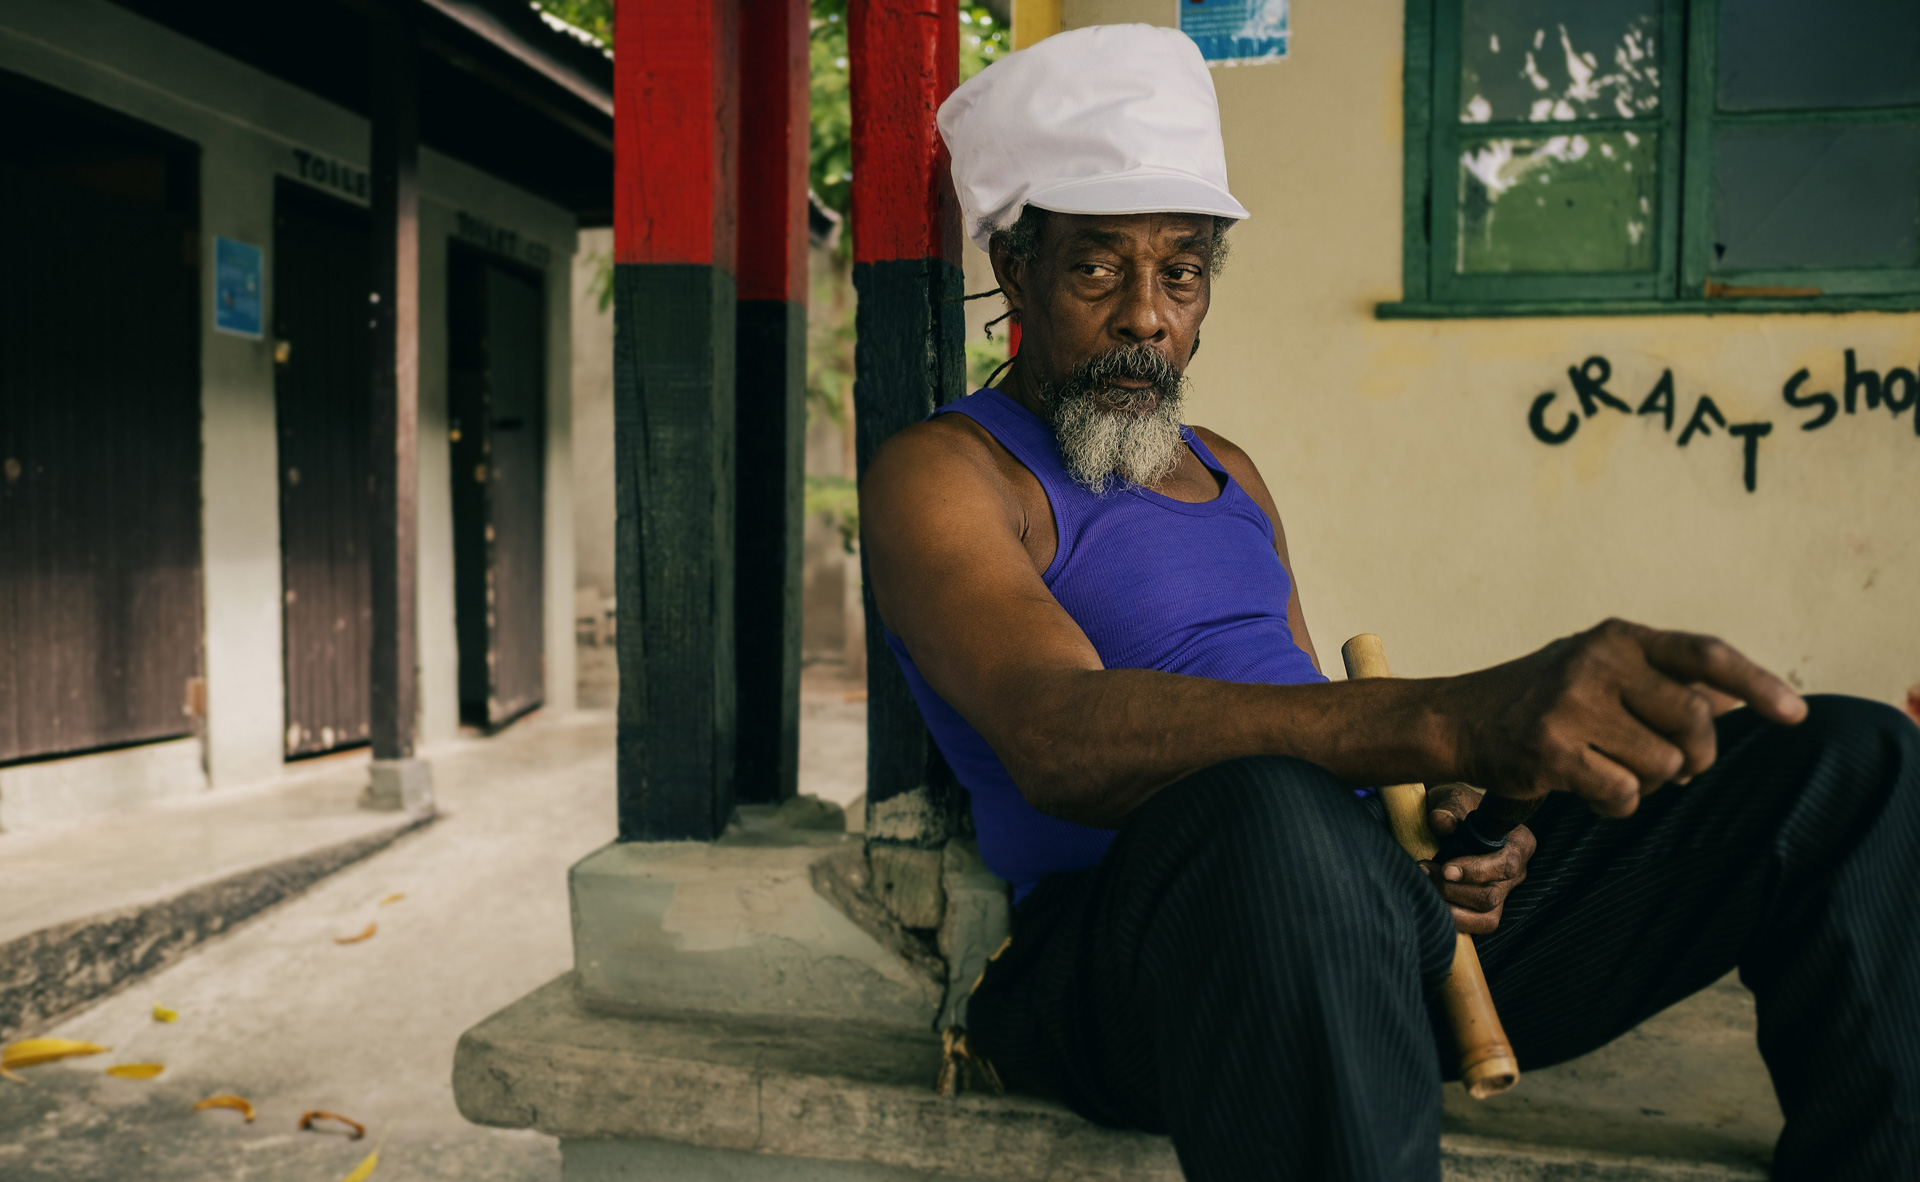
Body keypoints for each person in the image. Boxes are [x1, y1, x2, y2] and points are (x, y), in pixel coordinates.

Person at [858, 23, 1920, 1182]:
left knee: (1855, 762)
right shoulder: (951, 471)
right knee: (1272, 819)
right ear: (1016, 271)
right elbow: (1057, 738)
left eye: (1182, 270)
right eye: (1097, 266)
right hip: (1137, 958)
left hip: (1355, 912)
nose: (1147, 318)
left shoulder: (1230, 469)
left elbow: (1316, 723)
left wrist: (1451, 821)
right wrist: (1446, 718)